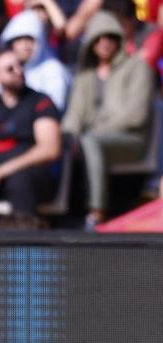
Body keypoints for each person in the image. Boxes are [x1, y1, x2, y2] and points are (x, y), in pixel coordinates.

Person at [62, 10, 155, 228]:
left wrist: (93, 132)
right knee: (63, 144)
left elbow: (135, 116)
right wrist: (65, 137)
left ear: (119, 39)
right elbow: (74, 115)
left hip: (130, 140)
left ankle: (96, 212)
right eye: (98, 38)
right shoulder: (85, 75)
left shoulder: (137, 67)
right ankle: (58, 211)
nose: (104, 43)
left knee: (90, 141)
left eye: (110, 37)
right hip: (90, 140)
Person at [0, 50, 62, 229]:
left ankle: (22, 250)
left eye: (20, 65)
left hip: (31, 176)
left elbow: (50, 148)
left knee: (20, 181)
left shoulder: (40, 101)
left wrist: (1, 171)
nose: (19, 71)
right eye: (10, 69)